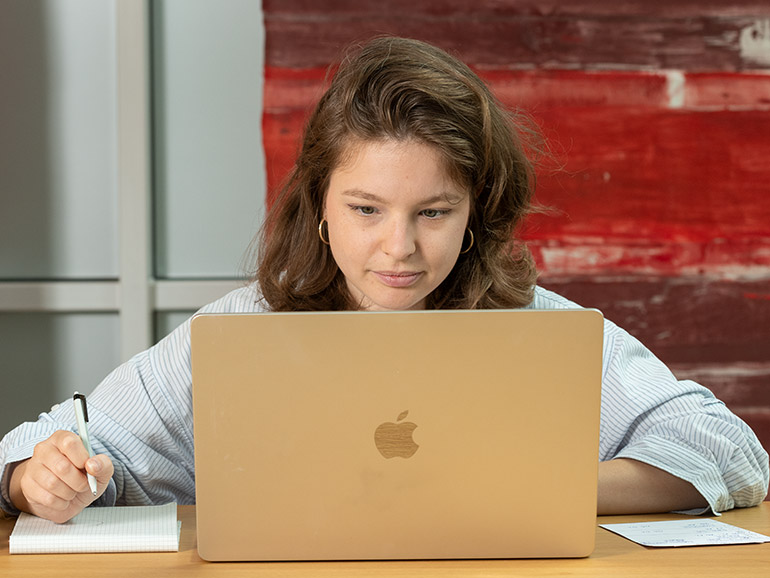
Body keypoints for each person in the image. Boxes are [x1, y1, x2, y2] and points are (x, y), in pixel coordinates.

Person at [1, 37, 767, 524]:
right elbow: (44, 446)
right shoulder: (240, 332)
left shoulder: (538, 327)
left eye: (432, 211)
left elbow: (728, 450)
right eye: (366, 208)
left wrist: (518, 487)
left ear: (474, 213)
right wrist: (40, 481)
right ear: (321, 209)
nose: (398, 248)